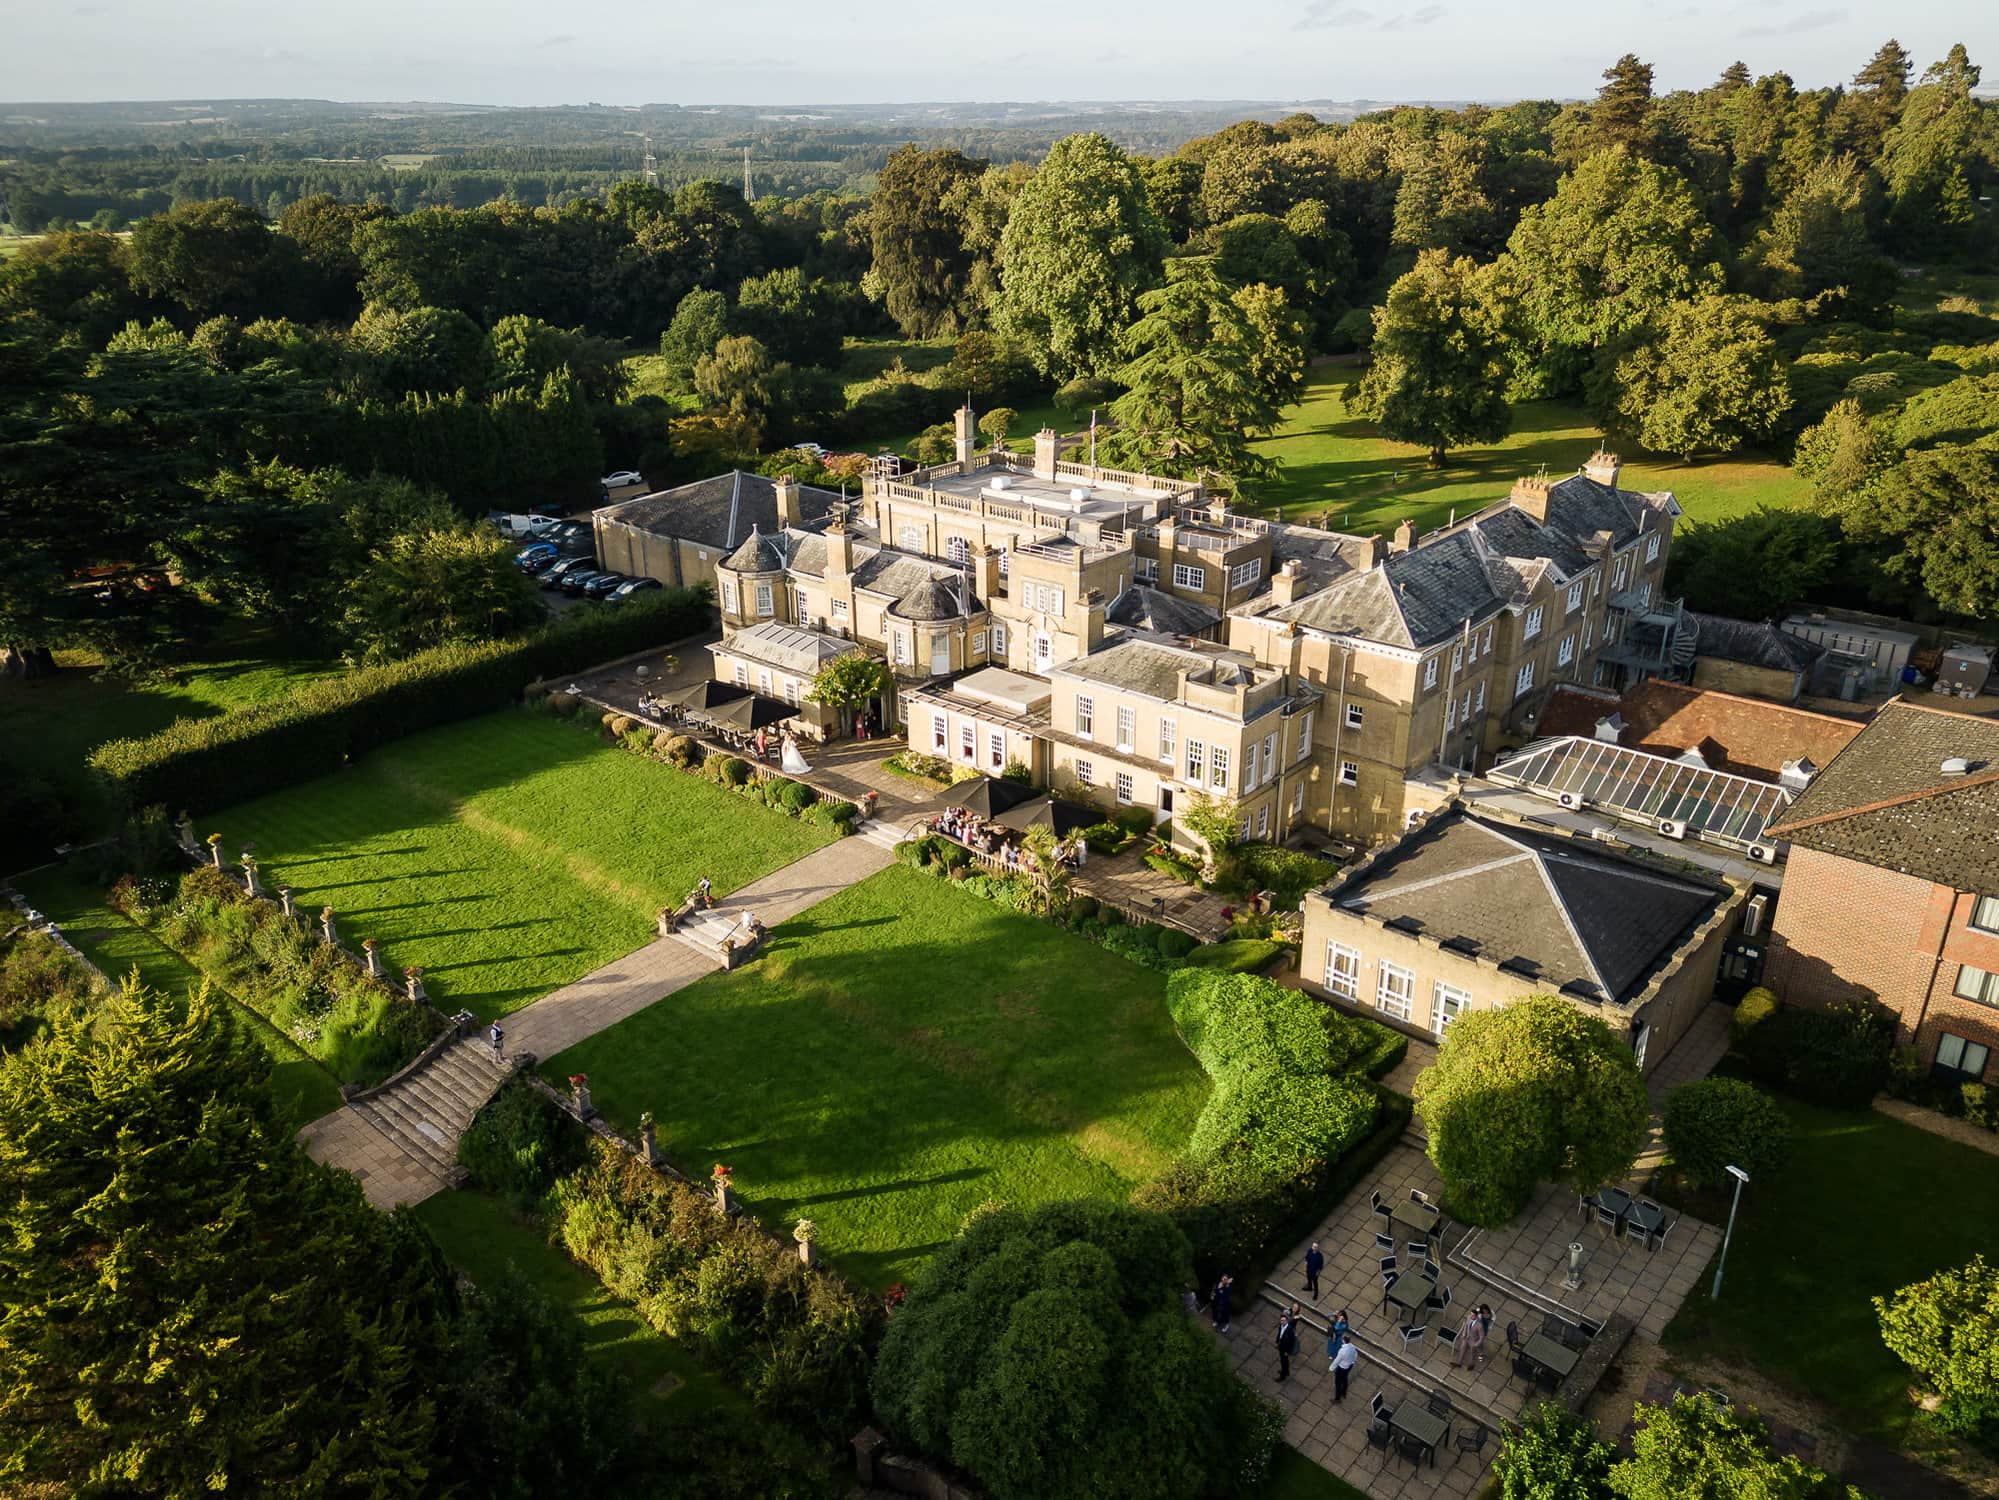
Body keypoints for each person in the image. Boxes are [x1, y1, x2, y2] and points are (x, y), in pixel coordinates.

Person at [1331, 1336, 1358, 1403]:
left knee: (1338, 1383)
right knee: (1345, 1378)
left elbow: (1337, 1360)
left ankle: (1337, 1398)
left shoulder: (1342, 1351)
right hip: (1349, 1366)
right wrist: (1352, 1362)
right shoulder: (1352, 1347)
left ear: (1344, 1341)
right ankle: (1344, 1393)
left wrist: (1331, 1368)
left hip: (1342, 1368)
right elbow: (1355, 1355)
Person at [1275, 1306, 1299, 1380]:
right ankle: (1286, 1371)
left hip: (1285, 1349)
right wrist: (1277, 1341)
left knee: (1283, 1361)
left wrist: (1287, 1351)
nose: (1282, 1322)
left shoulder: (1289, 1329)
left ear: (1287, 1320)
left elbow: (1291, 1341)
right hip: (1281, 1345)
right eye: (1281, 1320)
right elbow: (1279, 1334)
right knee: (1285, 1361)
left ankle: (1283, 1376)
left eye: (1284, 1320)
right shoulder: (1281, 1326)